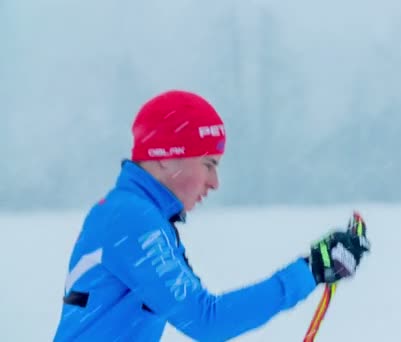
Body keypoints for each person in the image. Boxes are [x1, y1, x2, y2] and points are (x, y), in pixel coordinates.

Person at [53, 90, 370, 341]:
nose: (214, 183)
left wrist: (311, 270)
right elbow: (207, 321)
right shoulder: (131, 220)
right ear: (165, 157)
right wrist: (311, 270)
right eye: (209, 164)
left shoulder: (139, 215)